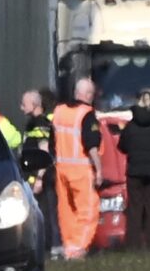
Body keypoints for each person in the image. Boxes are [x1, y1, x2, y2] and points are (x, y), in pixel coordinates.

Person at [53, 78, 103, 260]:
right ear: (88, 95)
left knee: (67, 211)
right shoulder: (86, 114)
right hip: (81, 169)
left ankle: (69, 247)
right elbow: (92, 145)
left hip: (61, 169)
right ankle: (78, 248)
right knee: (88, 210)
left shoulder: (59, 111)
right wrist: (99, 170)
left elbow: (51, 142)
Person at [117, 88, 150, 251]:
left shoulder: (130, 126)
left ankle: (133, 245)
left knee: (135, 208)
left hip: (134, 172)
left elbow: (122, 146)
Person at [20, 90, 60, 256]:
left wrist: (39, 178)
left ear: (35, 104)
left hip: (44, 177)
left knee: (48, 213)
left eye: (24, 104)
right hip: (32, 177)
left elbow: (44, 152)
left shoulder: (41, 124)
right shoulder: (31, 124)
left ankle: (54, 247)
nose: (21, 107)